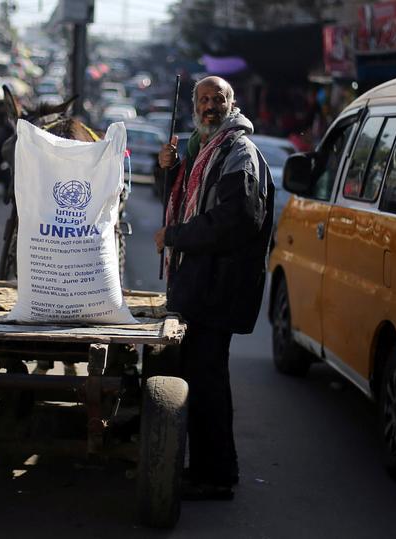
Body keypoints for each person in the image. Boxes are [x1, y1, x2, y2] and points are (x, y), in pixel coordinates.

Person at [154, 76, 274, 501]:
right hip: (196, 285)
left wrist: (176, 236)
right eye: (203, 99)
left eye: (218, 98)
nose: (210, 105)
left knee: (207, 383)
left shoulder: (238, 153)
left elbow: (236, 221)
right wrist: (165, 169)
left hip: (216, 288)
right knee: (196, 379)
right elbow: (181, 198)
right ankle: (205, 468)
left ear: (232, 103)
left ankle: (217, 476)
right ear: (194, 105)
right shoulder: (201, 150)